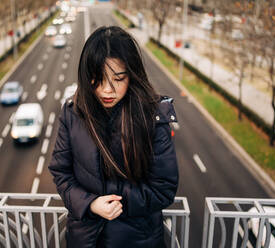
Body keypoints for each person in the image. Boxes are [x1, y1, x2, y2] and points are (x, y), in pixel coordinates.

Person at [49, 26, 179, 248]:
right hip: (85, 240)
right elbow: (61, 172)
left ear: (132, 75)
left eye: (118, 79)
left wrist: (114, 202)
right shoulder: (72, 112)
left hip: (138, 240)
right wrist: (91, 204)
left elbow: (163, 187)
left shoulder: (153, 116)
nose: (107, 90)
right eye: (97, 79)